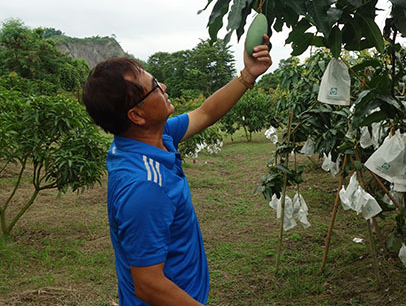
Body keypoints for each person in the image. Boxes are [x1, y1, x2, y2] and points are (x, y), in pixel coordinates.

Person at [82, 36, 272, 306]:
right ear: (136, 116)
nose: (164, 86)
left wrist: (247, 75)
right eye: (154, 87)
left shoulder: (149, 138)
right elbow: (148, 285)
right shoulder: (145, 186)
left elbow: (204, 113)